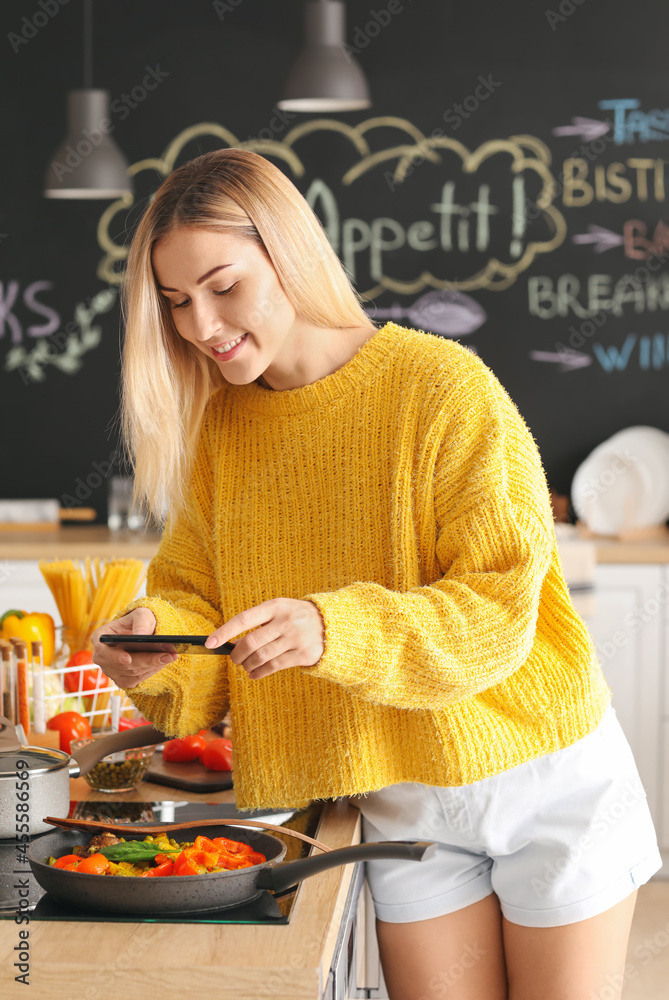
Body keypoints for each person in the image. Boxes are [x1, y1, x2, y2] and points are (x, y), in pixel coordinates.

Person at [91, 147, 662, 1000]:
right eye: (174, 302)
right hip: (392, 795)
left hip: (540, 775)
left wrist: (333, 627)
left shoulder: (439, 387)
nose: (199, 325)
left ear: (287, 253)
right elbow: (199, 601)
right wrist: (156, 645)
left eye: (222, 285)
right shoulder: (222, 434)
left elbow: (500, 605)